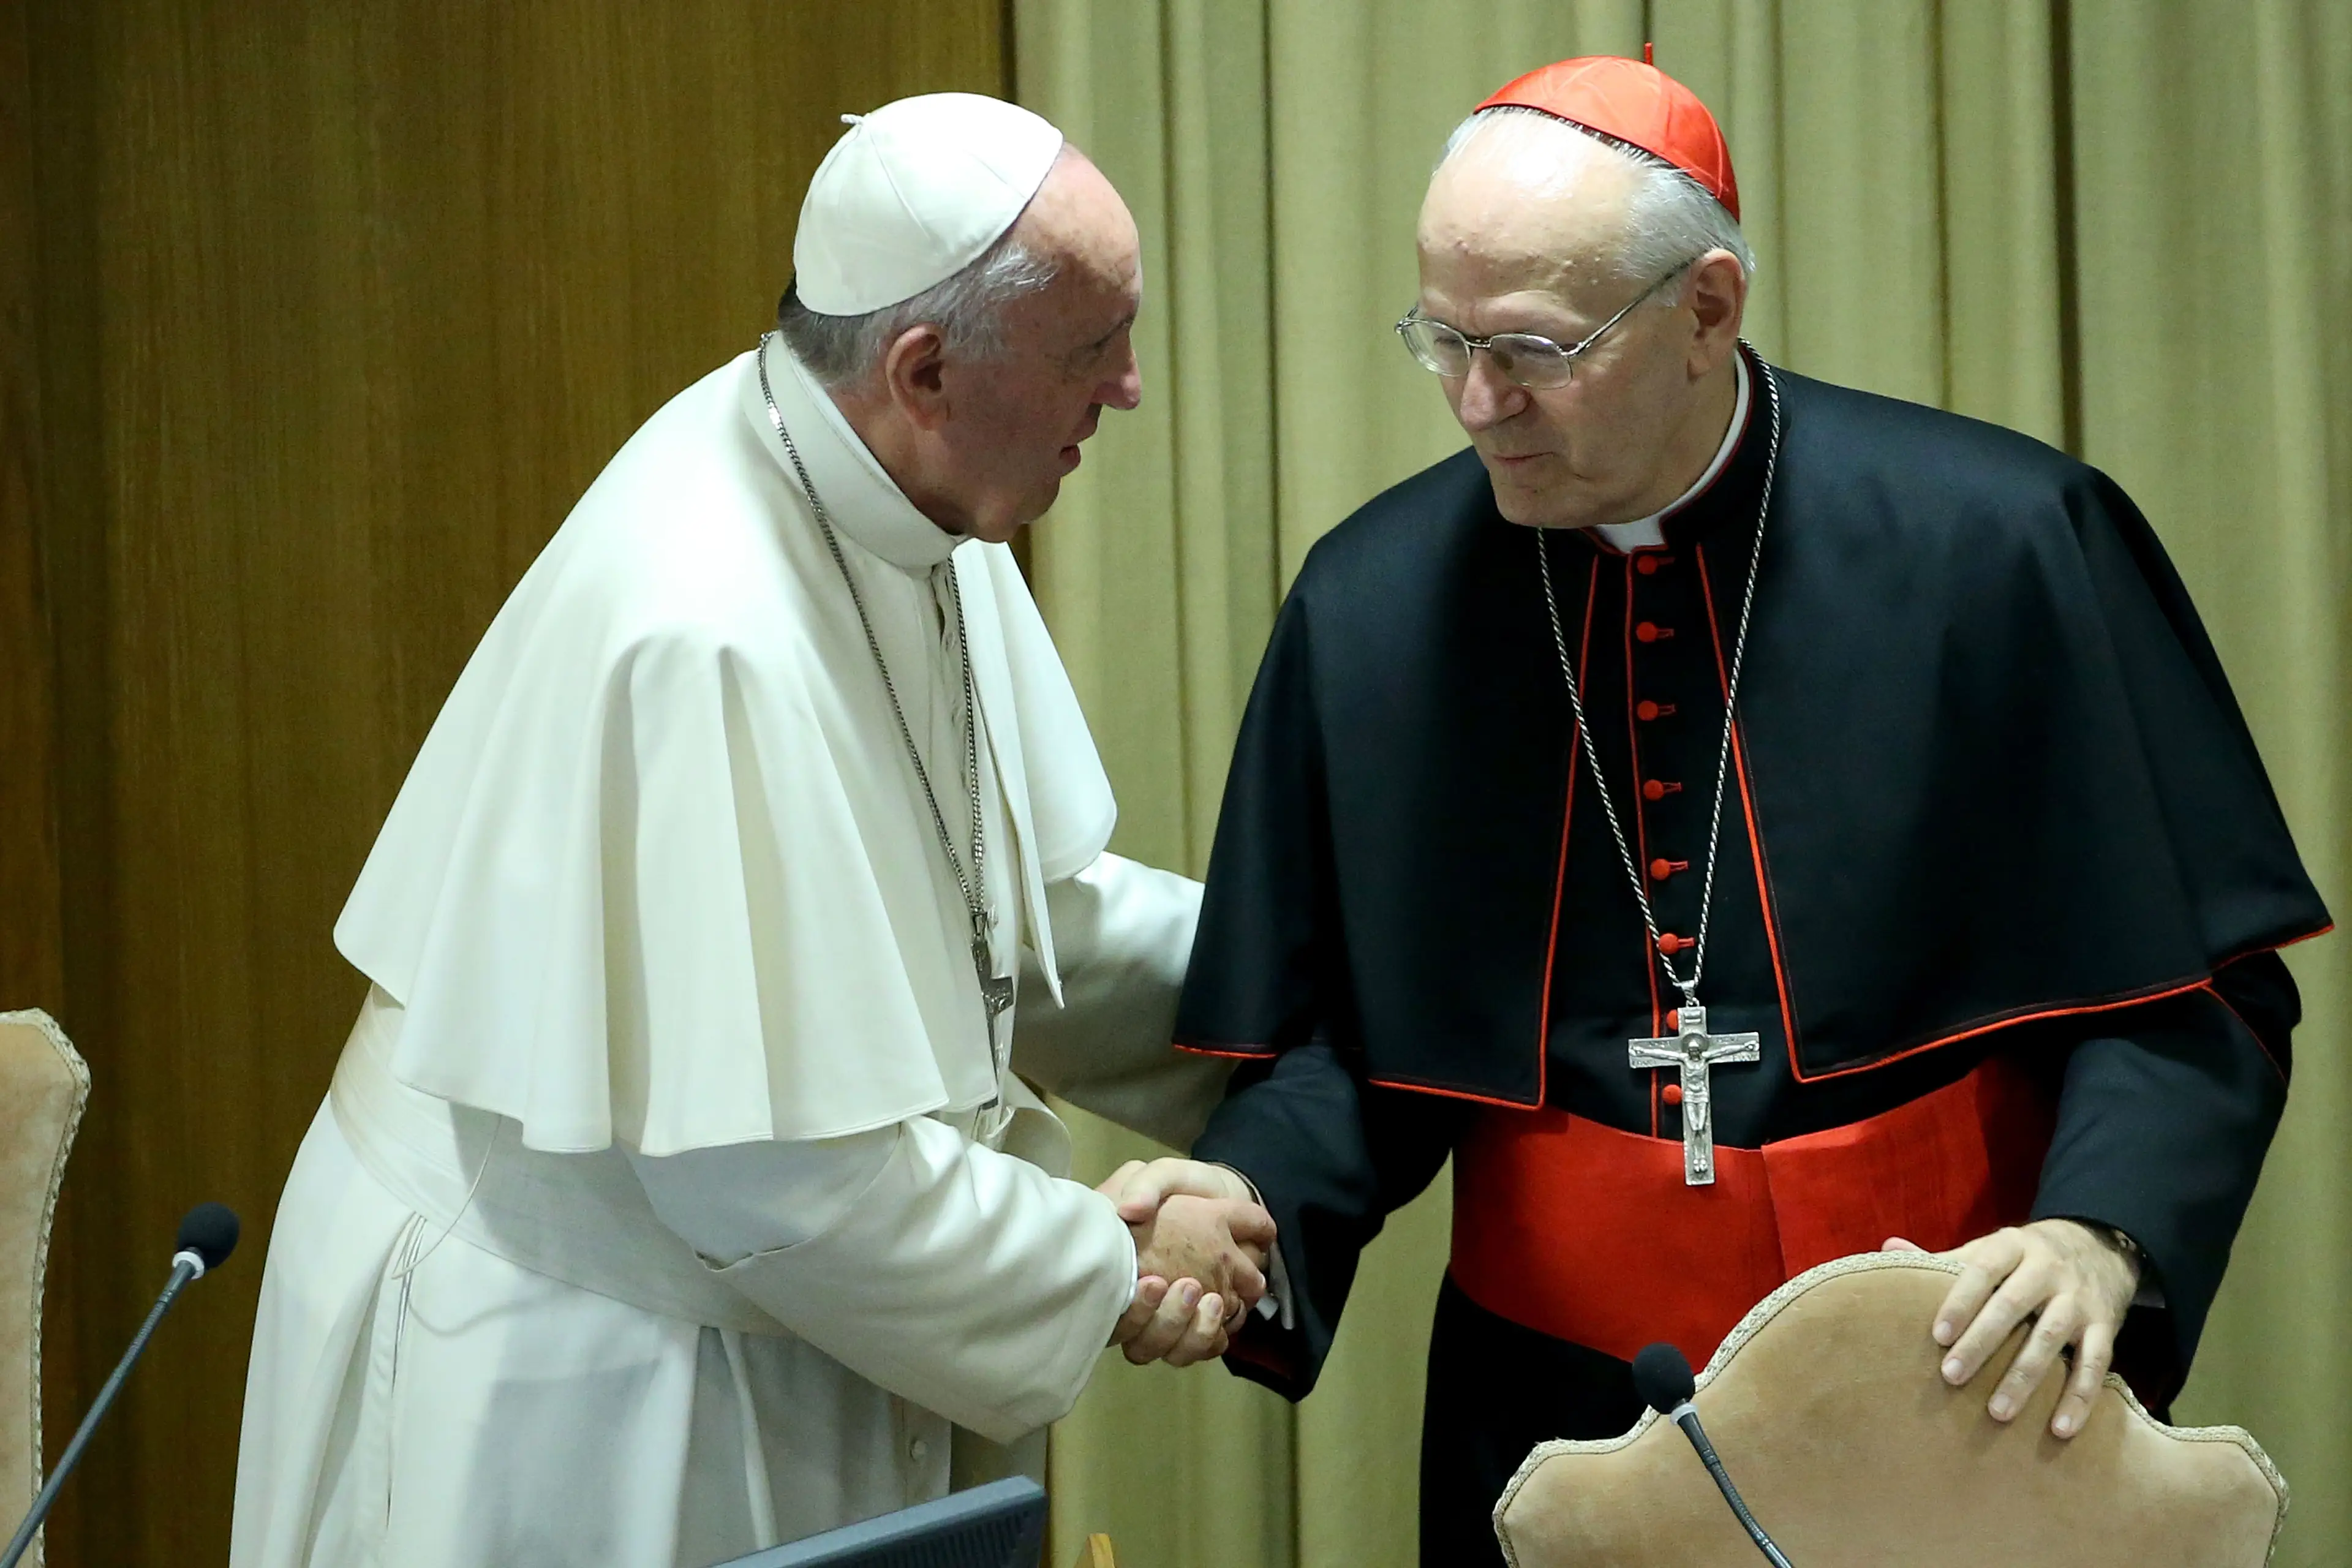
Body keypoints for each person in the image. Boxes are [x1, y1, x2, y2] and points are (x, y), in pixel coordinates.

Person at [1107, 55, 2331, 1565]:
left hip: (1964, 1407)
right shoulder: (1372, 606)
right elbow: (1346, 1046)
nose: (1479, 403)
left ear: (1707, 308)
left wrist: (2102, 1230)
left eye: (1534, 348)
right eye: (1446, 340)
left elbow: (2194, 986)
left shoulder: (2007, 544)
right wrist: (1241, 1199)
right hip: (1549, 1414)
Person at [231, 92, 1272, 1568]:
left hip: (766, 1319)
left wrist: (1313, 989)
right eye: (1089, 350)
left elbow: (1005, 917)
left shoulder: (902, 490)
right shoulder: (705, 620)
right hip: (579, 1375)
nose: (1130, 389)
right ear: (925, 370)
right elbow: (772, 1172)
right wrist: (1103, 1257)